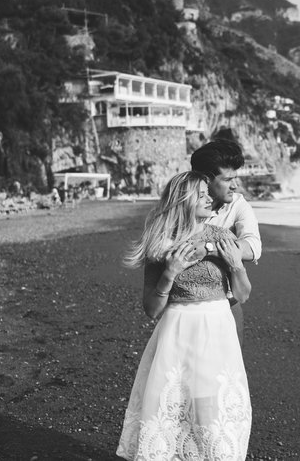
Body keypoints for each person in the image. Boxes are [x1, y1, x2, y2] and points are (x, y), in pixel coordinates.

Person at [116, 171, 252, 461]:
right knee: (175, 408)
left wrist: (235, 264)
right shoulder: (160, 242)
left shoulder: (221, 236)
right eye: (201, 195)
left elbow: (243, 295)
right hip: (177, 332)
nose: (209, 199)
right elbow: (152, 309)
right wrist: (170, 273)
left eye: (208, 194)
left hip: (217, 330)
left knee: (211, 410)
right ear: (184, 199)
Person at [190, 140, 261, 341]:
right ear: (205, 180)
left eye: (235, 178)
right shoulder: (178, 207)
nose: (235, 185)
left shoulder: (237, 204)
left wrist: (209, 248)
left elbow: (253, 246)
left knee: (230, 367)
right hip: (182, 302)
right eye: (228, 179)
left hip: (226, 298)